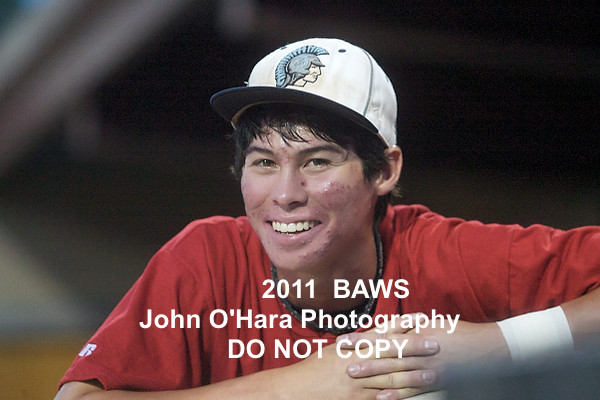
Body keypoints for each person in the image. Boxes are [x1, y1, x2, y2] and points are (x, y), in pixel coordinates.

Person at [55, 38, 600, 400]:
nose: (285, 195)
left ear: (383, 170)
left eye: (317, 161)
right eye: (264, 163)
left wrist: (499, 343)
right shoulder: (206, 259)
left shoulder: (436, 251)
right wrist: (301, 385)